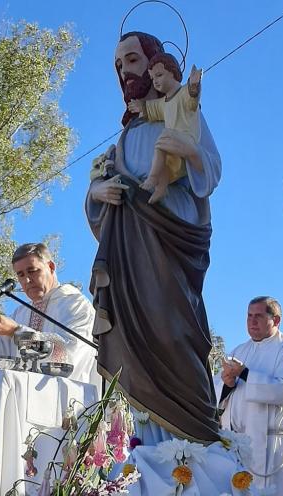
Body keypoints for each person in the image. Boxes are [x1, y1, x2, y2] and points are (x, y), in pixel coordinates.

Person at [86, 31, 222, 443]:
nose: (124, 72)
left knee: (173, 330)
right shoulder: (124, 137)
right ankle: (139, 441)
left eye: (131, 60)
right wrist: (98, 192)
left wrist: (189, 150)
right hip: (128, 250)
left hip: (171, 243)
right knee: (130, 338)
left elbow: (211, 169)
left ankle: (190, 442)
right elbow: (100, 185)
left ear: (156, 64)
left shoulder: (183, 111)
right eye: (118, 66)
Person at [0, 243, 98, 385]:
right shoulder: (21, 313)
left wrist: (17, 332)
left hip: (65, 397)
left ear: (51, 267)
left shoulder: (75, 304)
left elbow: (70, 355)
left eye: (32, 271)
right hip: (22, 395)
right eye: (21, 274)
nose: (27, 280)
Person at [218, 296, 283, 493]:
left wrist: (245, 373)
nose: (252, 321)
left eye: (258, 316)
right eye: (249, 316)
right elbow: (218, 393)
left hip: (273, 446)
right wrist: (228, 384)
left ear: (276, 320)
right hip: (239, 445)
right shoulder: (239, 351)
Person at [127, 53, 202, 204]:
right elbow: (151, 109)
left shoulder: (183, 93)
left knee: (162, 138)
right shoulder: (164, 103)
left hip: (186, 141)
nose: (155, 81)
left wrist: (193, 85)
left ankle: (152, 178)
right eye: (153, 78)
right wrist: (140, 106)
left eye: (159, 75)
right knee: (163, 164)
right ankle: (161, 188)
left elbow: (192, 99)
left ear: (173, 72)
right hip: (173, 149)